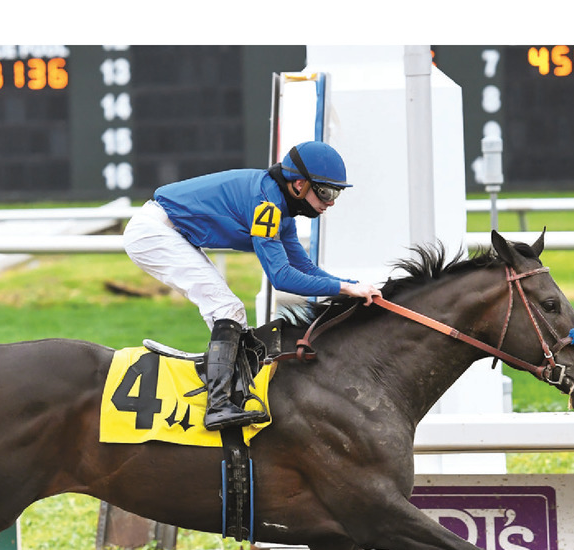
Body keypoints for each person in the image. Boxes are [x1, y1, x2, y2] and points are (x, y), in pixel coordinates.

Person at [123, 140, 383, 430]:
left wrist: (354, 285)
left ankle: (228, 387)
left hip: (170, 231)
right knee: (228, 308)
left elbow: (304, 268)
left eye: (336, 193)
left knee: (232, 316)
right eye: (326, 192)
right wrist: (345, 289)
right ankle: (218, 405)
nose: (331, 201)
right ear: (299, 185)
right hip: (154, 232)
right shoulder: (267, 206)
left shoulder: (282, 210)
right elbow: (281, 277)